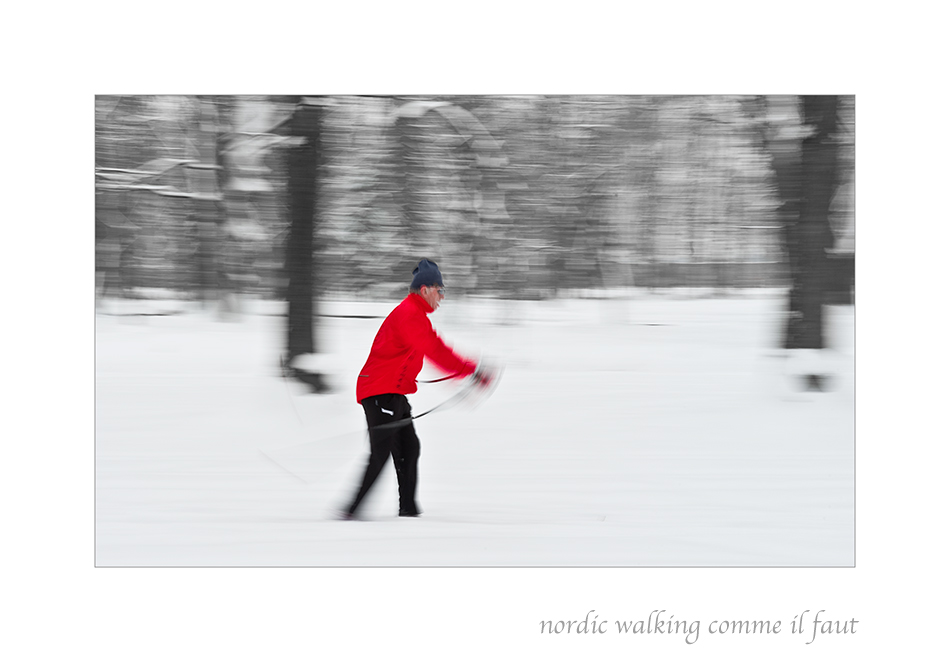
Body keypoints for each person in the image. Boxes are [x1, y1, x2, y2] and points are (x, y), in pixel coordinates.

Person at [340, 258, 492, 519]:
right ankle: (351, 512)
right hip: (380, 393)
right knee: (380, 454)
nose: (442, 297)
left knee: (409, 448)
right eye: (440, 290)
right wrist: (472, 371)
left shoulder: (414, 314)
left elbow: (419, 352)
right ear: (425, 289)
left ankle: (408, 510)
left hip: (392, 393)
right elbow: (435, 350)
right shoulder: (410, 315)